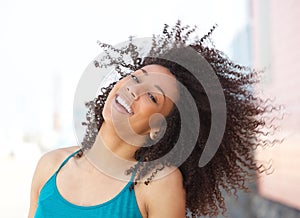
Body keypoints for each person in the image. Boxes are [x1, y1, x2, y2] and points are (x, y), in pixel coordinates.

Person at [28, 21, 281, 218]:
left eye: (151, 96)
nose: (133, 90)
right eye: (136, 77)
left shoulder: (158, 184)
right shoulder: (50, 165)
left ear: (158, 129)